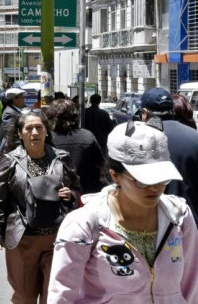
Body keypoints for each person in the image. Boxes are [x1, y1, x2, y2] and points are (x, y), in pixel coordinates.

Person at [48, 120, 198, 302]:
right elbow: (62, 295)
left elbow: (191, 287)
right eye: (142, 180)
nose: (155, 187)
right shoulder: (84, 224)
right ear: (115, 176)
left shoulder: (179, 217)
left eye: (162, 178)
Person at [0, 111, 80, 303]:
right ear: (20, 133)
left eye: (39, 127)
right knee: (25, 296)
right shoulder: (10, 161)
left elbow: (77, 189)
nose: (34, 132)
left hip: (56, 238)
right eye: (29, 128)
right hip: (23, 240)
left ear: (46, 131)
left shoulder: (62, 158)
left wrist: (71, 194)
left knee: (53, 295)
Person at [139, 87, 198, 216]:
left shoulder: (138, 140)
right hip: (192, 222)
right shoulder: (194, 137)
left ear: (145, 113)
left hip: (153, 224)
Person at [46, 99, 106, 194]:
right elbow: (100, 164)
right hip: (85, 192)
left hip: (55, 192)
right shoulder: (87, 136)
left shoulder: (47, 138)